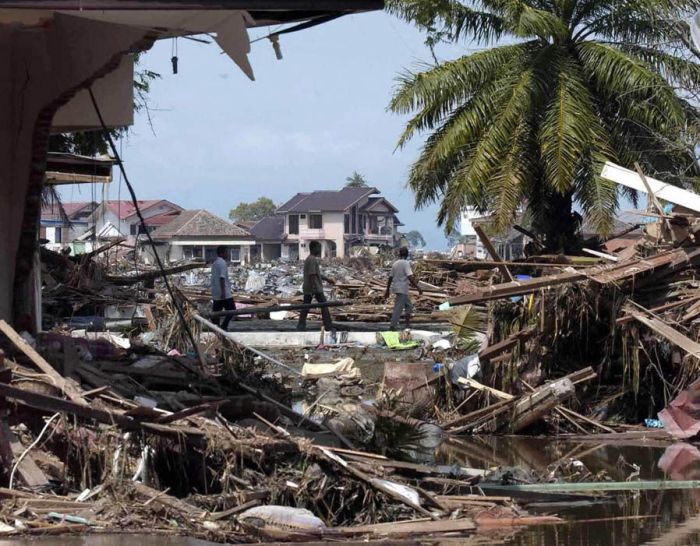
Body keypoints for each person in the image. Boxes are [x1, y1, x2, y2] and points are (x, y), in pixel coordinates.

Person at [297, 241, 334, 332]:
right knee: (324, 305)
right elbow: (312, 275)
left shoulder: (309, 259)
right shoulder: (312, 259)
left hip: (309, 287)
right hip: (314, 287)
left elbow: (317, 274)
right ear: (313, 248)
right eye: (318, 247)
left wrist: (327, 279)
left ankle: (301, 325)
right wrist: (314, 289)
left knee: (306, 307)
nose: (319, 249)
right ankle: (328, 326)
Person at [385, 247, 422, 330]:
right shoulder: (405, 263)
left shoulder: (395, 264)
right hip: (402, 289)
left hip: (398, 288)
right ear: (407, 254)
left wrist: (387, 290)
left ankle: (407, 324)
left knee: (409, 306)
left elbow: (390, 278)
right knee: (398, 308)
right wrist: (417, 287)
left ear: (400, 254)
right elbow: (410, 276)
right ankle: (392, 326)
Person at [211, 245, 235, 331]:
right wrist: (223, 292)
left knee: (216, 311)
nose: (227, 254)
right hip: (224, 292)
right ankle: (223, 326)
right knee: (232, 310)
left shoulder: (215, 263)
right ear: (222, 253)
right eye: (226, 252)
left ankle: (216, 328)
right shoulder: (222, 263)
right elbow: (222, 278)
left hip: (216, 291)